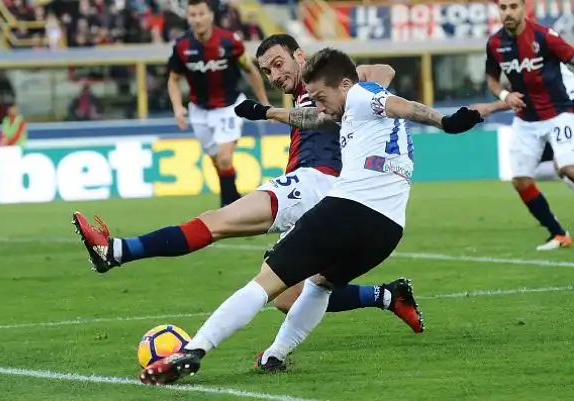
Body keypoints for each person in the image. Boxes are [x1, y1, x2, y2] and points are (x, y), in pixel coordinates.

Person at [137, 48, 482, 384]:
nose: (318, 105)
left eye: (319, 96)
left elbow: (405, 105)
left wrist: (445, 121)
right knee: (321, 285)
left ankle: (194, 350)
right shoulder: (354, 113)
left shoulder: (362, 95)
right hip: (387, 230)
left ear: (344, 84)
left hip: (348, 210)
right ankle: (275, 354)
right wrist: (267, 112)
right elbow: (316, 117)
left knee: (266, 283)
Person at [71, 34, 424, 357]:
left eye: (279, 63)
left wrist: (364, 87)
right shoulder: (311, 96)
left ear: (301, 55)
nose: (274, 74)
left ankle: (116, 251)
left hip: (319, 180)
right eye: (267, 70)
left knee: (218, 221)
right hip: (326, 194)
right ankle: (388, 296)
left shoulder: (331, 79)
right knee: (288, 296)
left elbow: (382, 69)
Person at [485, 0, 574, 250]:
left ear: (524, 8)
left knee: (567, 168)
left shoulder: (545, 37)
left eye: (513, 6)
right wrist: (504, 96)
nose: (508, 12)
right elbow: (491, 79)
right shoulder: (494, 44)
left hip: (559, 113)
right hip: (526, 120)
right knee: (521, 181)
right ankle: (559, 234)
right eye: (503, 8)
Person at [169, 0, 269, 207]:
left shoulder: (230, 41)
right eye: (192, 15)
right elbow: (173, 79)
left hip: (229, 107)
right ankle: (234, 200)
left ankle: (229, 206)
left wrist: (264, 102)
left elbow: (250, 70)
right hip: (199, 111)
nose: (197, 19)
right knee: (218, 162)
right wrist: (178, 107)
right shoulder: (181, 46)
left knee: (224, 159)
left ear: (211, 15)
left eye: (200, 14)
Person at [472, 63, 574, 191]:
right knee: (562, 167)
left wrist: (489, 108)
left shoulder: (538, 60)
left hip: (566, 113)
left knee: (564, 165)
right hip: (564, 112)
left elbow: (528, 97)